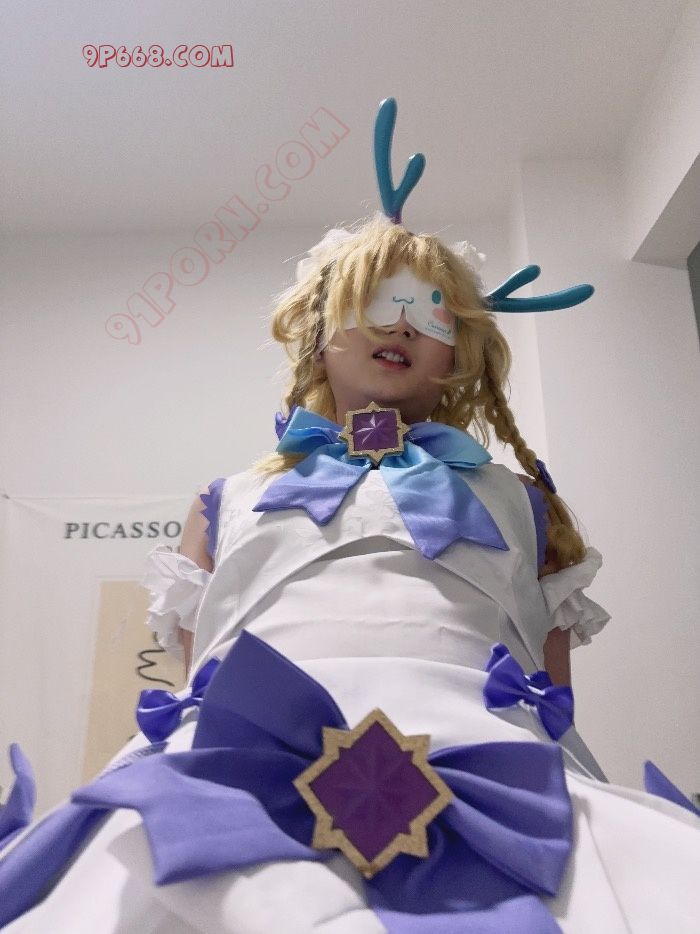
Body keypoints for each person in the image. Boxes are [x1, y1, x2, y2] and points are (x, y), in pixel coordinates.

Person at [1, 100, 698, 933]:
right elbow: (196, 670)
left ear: (461, 350)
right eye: (380, 301)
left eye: (432, 311)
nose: (402, 322)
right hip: (240, 754)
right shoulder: (223, 500)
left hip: (486, 754)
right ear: (321, 327)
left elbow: (553, 692)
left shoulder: (523, 500)